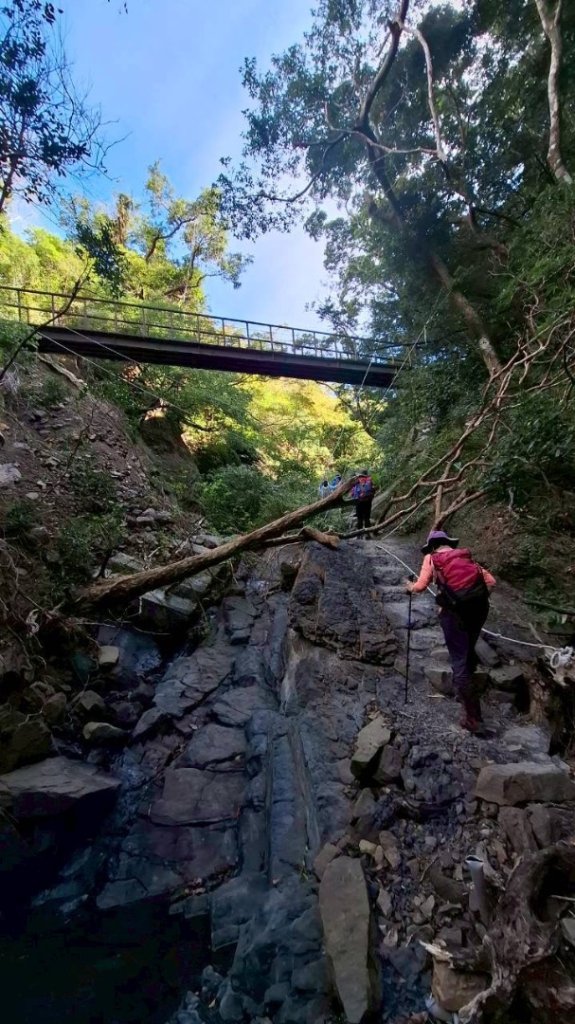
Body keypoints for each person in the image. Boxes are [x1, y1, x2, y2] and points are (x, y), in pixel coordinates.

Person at [405, 530, 496, 733]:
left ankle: (473, 719)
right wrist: (474, 601)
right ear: (447, 542)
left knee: (459, 660)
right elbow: (491, 582)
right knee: (468, 650)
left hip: (455, 616)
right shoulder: (464, 557)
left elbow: (420, 586)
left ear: (432, 546)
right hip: (480, 610)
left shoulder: (432, 558)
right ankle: (463, 692)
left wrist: (410, 586)